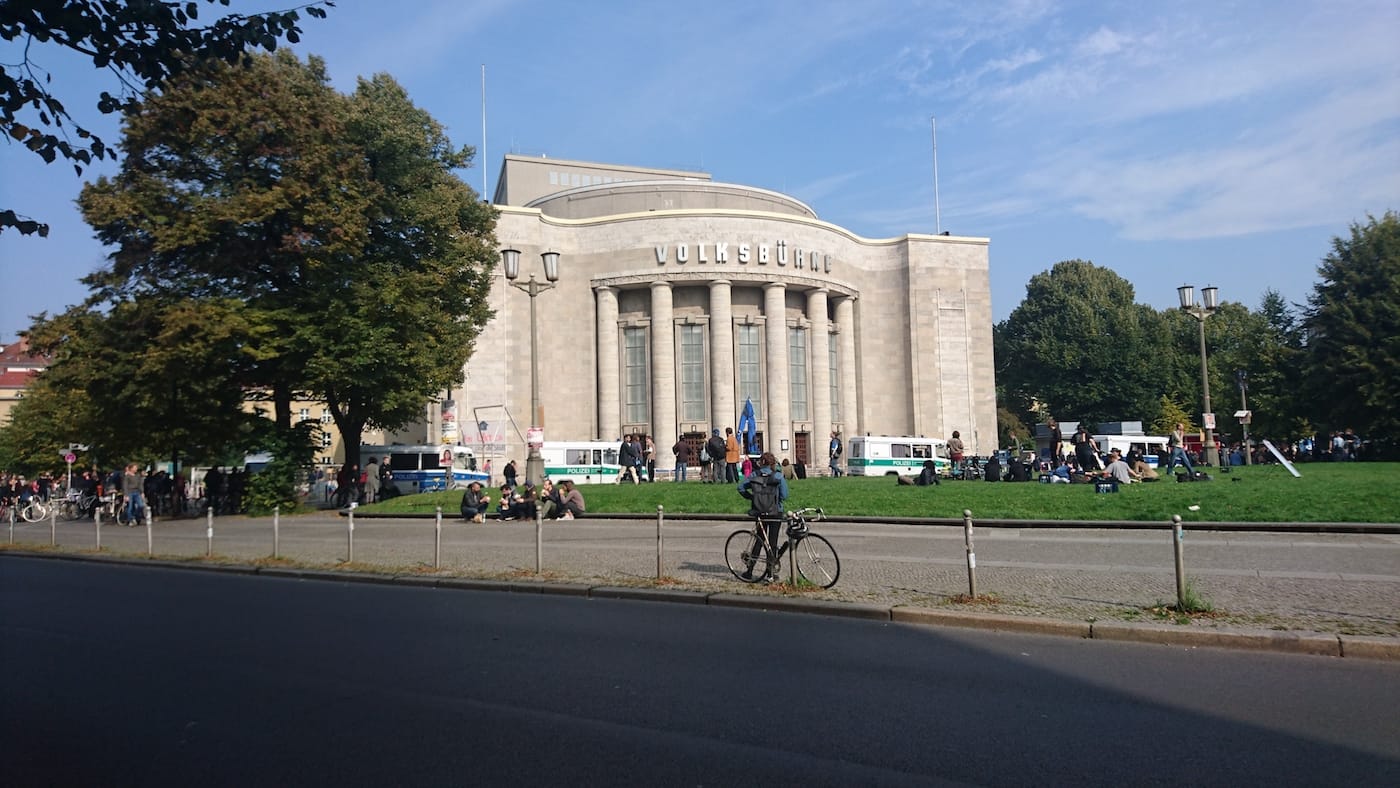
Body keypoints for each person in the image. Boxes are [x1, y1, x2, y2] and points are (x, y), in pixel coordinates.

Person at [737, 451, 789, 583]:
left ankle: (749, 571)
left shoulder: (754, 475)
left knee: (759, 541)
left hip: (760, 511)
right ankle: (770, 574)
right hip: (775, 512)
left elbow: (740, 487)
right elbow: (784, 495)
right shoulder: (778, 476)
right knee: (772, 542)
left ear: (761, 463)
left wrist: (752, 497)